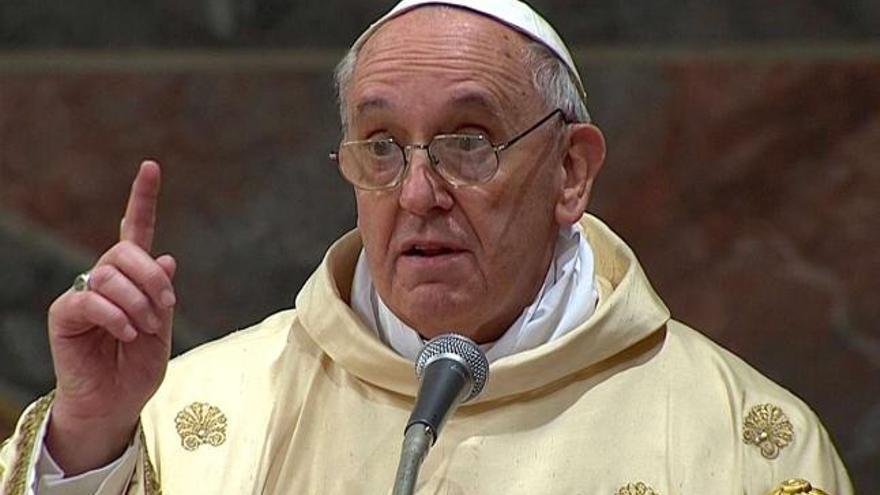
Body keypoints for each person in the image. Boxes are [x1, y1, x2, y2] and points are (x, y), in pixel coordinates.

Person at [0, 1, 854, 493]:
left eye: (469, 141)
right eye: (380, 146)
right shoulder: (193, 419)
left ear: (570, 170)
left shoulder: (743, 442)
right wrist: (90, 438)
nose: (416, 193)